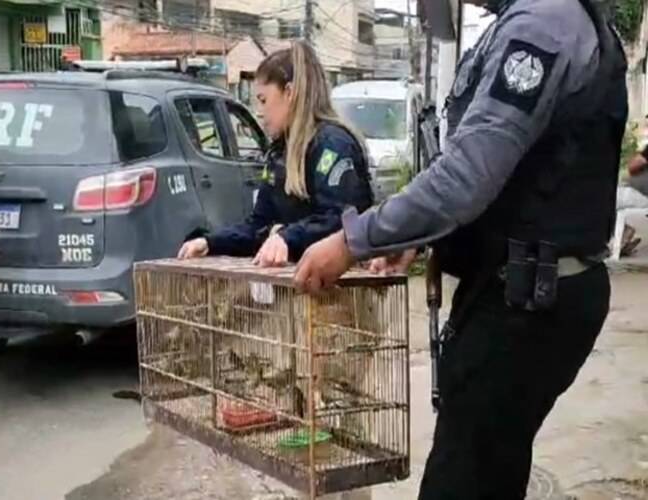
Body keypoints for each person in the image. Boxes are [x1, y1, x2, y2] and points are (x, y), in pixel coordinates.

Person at [294, 0, 627, 498]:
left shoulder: (542, 24)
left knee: (463, 478)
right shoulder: (544, 19)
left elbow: (464, 177)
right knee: (490, 469)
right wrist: (426, 237)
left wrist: (352, 241)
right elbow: (511, 177)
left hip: (528, 307)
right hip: (527, 293)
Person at [178, 41, 373, 266]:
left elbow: (340, 220)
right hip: (296, 284)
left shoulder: (334, 145)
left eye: (263, 101)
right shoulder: (279, 152)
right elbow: (258, 226)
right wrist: (210, 243)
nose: (259, 113)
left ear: (289, 92)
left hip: (340, 283)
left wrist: (286, 237)